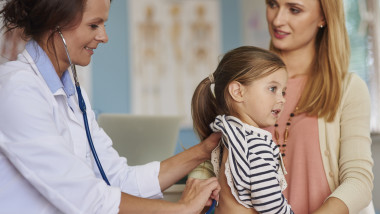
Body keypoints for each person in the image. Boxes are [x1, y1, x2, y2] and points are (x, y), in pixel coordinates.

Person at [0, 0, 221, 213]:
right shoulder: (17, 89)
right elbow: (84, 196)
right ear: (55, 22)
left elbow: (118, 180)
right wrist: (180, 210)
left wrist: (204, 150)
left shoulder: (75, 97)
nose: (104, 36)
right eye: (93, 25)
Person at [264, 0, 374, 213]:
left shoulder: (348, 89)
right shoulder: (245, 85)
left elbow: (358, 181)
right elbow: (220, 152)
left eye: (294, 10)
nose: (277, 20)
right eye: (272, 4)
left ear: (323, 17)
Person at [191, 46, 294, 214]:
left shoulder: (231, 134)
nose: (282, 99)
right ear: (238, 92)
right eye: (272, 89)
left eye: (283, 91)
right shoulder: (256, 142)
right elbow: (270, 204)